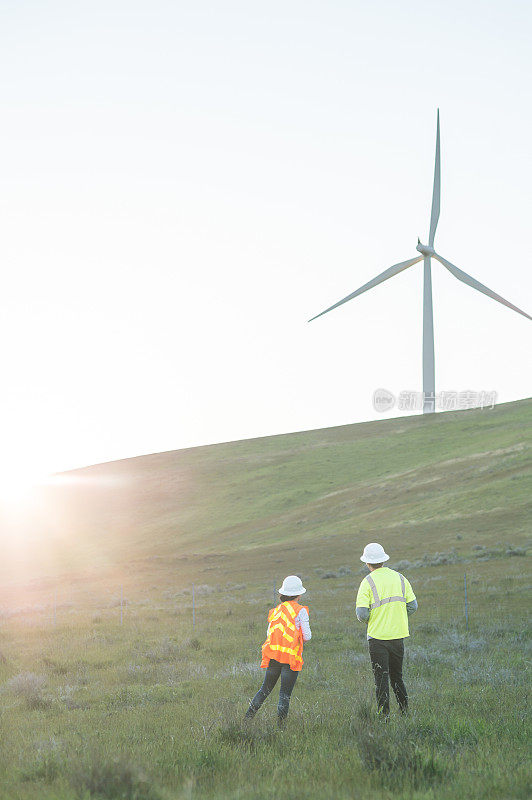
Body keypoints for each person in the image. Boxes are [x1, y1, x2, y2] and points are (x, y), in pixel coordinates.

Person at [355, 543, 417, 718]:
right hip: (398, 636)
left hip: (377, 638)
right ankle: (405, 713)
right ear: (384, 560)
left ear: (367, 563)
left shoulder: (367, 582)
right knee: (397, 677)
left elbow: (361, 614)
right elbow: (413, 606)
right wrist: (398, 617)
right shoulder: (400, 578)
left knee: (381, 679)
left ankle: (384, 717)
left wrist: (372, 620)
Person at [245, 575, 311, 725]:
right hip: (290, 658)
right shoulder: (301, 611)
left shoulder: (276, 611)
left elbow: (269, 633)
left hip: (274, 657)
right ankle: (280, 728)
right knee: (284, 695)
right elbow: (307, 636)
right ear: (299, 594)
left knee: (264, 690)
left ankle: (246, 720)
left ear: (284, 593)